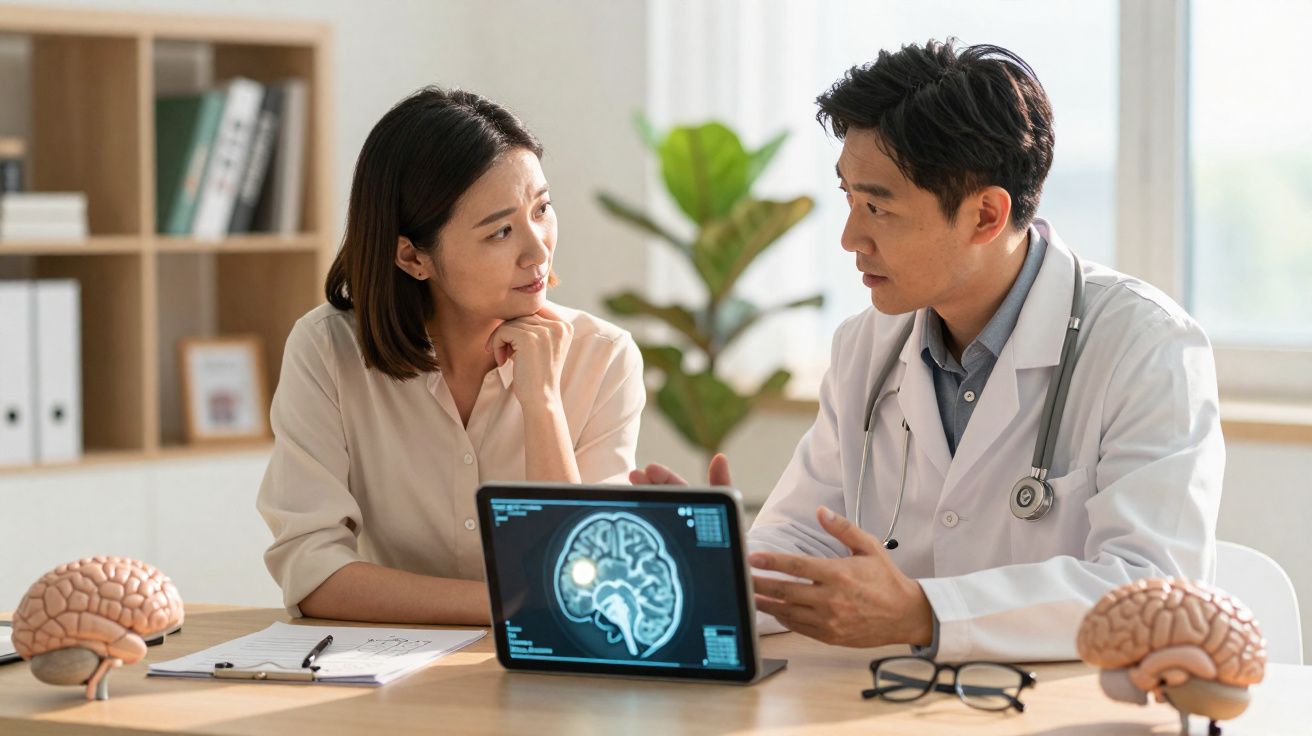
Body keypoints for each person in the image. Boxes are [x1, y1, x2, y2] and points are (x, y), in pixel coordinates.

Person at [632, 40, 1223, 662]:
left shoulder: (1146, 346)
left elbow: (1155, 591)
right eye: (849, 200)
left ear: (986, 216)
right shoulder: (867, 345)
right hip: (892, 703)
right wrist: (710, 565)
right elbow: (809, 532)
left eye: (878, 207)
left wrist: (925, 613)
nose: (849, 237)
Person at [258, 87, 646, 625]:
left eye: (543, 209)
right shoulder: (327, 349)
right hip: (383, 681)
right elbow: (314, 573)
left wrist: (543, 404)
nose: (538, 250)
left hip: (553, 679)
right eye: (501, 231)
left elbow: (587, 571)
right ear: (414, 256)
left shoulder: (602, 357)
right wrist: (515, 605)